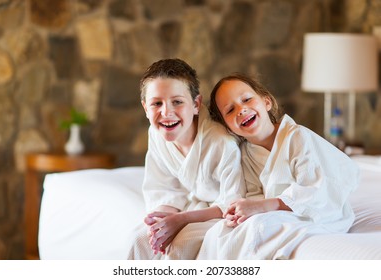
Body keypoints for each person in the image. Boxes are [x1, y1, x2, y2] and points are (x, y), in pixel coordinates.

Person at [197, 73, 359, 259]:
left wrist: (262, 206)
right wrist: (242, 211)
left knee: (258, 227)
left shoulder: (296, 137)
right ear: (227, 127)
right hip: (277, 213)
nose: (241, 110)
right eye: (230, 110)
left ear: (267, 102)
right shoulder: (246, 154)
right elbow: (253, 195)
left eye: (247, 99)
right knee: (219, 233)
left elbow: (315, 189)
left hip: (319, 213)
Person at [127, 59, 246, 260]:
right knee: (139, 239)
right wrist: (161, 223)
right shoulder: (156, 134)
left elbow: (232, 202)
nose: (166, 113)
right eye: (156, 103)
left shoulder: (220, 142)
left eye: (177, 102)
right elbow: (163, 188)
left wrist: (180, 220)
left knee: (181, 246)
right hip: (190, 207)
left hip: (218, 214)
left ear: (196, 104)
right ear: (145, 108)